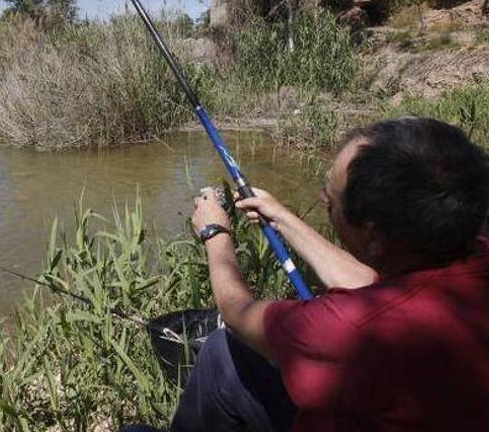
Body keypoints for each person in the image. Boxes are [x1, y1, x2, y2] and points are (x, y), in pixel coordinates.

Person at [124, 118, 489, 432]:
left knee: (221, 349)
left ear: (374, 236)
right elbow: (371, 282)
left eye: (331, 199)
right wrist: (281, 216)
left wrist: (215, 234)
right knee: (223, 354)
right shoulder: (465, 252)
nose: (322, 197)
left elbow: (237, 314)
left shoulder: (348, 331)